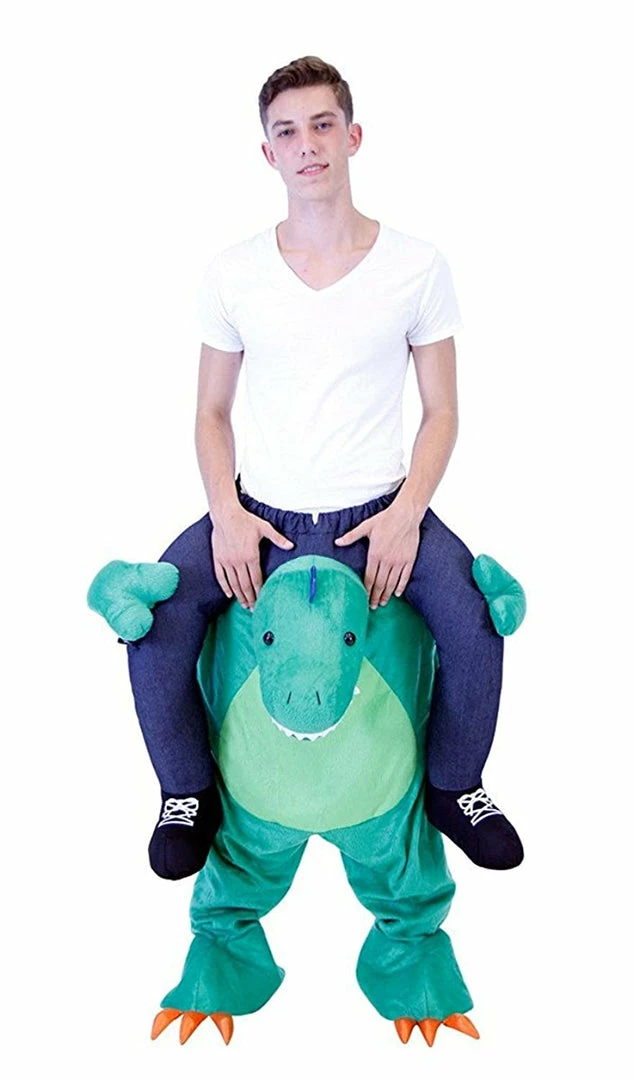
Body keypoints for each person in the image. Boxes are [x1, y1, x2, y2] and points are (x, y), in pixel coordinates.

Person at [125, 55, 524, 880]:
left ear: (353, 136)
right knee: (155, 619)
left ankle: (457, 784)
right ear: (267, 153)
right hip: (261, 513)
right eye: (287, 131)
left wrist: (408, 515)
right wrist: (226, 515)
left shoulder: (417, 265)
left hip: (380, 509)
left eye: (321, 125)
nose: (306, 144)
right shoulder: (234, 271)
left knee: (476, 622)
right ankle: (184, 791)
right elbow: (209, 413)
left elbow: (443, 412)